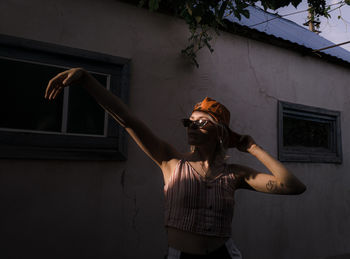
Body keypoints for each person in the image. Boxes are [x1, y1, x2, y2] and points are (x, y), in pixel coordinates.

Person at [45, 68, 306, 259]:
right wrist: (87, 80)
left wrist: (251, 147)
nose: (192, 126)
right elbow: (127, 120)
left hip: (224, 254)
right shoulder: (170, 160)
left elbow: (292, 186)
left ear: (220, 133)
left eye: (202, 122)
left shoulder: (234, 174)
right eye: (189, 121)